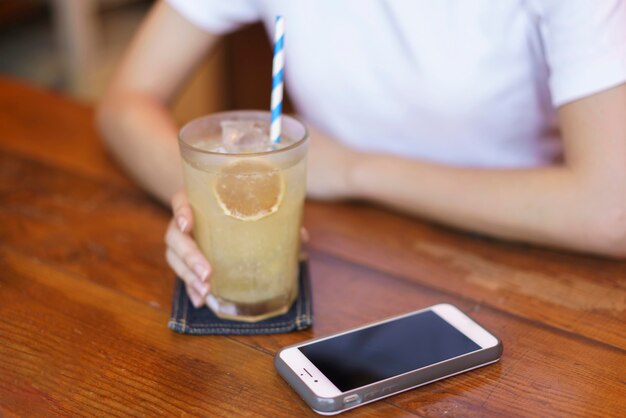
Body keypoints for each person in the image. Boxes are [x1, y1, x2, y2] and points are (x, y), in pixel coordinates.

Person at [97, 0, 626, 308]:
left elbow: (612, 209)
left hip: (532, 279)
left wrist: (356, 170)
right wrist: (203, 208)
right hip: (339, 264)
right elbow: (125, 102)